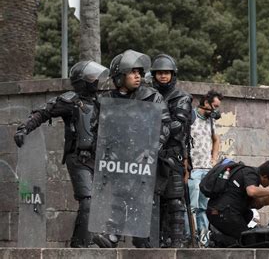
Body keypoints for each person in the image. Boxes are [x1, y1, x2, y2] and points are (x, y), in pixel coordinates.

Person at [14, 60, 109, 248]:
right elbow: (43, 112)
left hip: (98, 160)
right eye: (91, 77)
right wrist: (24, 129)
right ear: (82, 80)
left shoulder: (101, 102)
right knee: (87, 201)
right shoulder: (71, 101)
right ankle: (78, 246)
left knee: (99, 204)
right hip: (78, 158)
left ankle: (93, 242)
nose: (96, 80)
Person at [94, 49, 171, 248]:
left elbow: (164, 126)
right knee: (119, 195)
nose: (137, 76)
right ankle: (112, 235)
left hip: (144, 157)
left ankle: (142, 239)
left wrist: (150, 151)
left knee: (142, 198)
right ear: (120, 77)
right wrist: (106, 152)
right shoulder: (107, 99)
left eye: (139, 72)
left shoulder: (151, 96)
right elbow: (100, 128)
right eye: (132, 72)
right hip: (120, 156)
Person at [150, 54, 193, 248]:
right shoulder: (147, 95)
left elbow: (178, 125)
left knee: (175, 202)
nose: (163, 76)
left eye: (166, 72)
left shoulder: (181, 97)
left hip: (172, 153)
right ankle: (153, 242)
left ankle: (177, 243)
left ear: (172, 74)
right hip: (150, 153)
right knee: (152, 202)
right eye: (159, 73)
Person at [206, 160, 269, 244]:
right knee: (247, 240)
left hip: (220, 212)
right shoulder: (250, 174)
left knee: (249, 214)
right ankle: (214, 238)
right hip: (222, 213)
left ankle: (221, 238)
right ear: (265, 176)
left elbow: (252, 202)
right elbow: (252, 191)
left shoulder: (248, 175)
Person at [187, 90, 223, 244]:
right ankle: (190, 236)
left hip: (207, 170)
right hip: (193, 169)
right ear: (206, 103)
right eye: (214, 106)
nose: (215, 110)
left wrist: (213, 160)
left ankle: (203, 239)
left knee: (204, 206)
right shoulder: (191, 116)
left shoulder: (210, 120)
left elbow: (216, 140)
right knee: (192, 206)